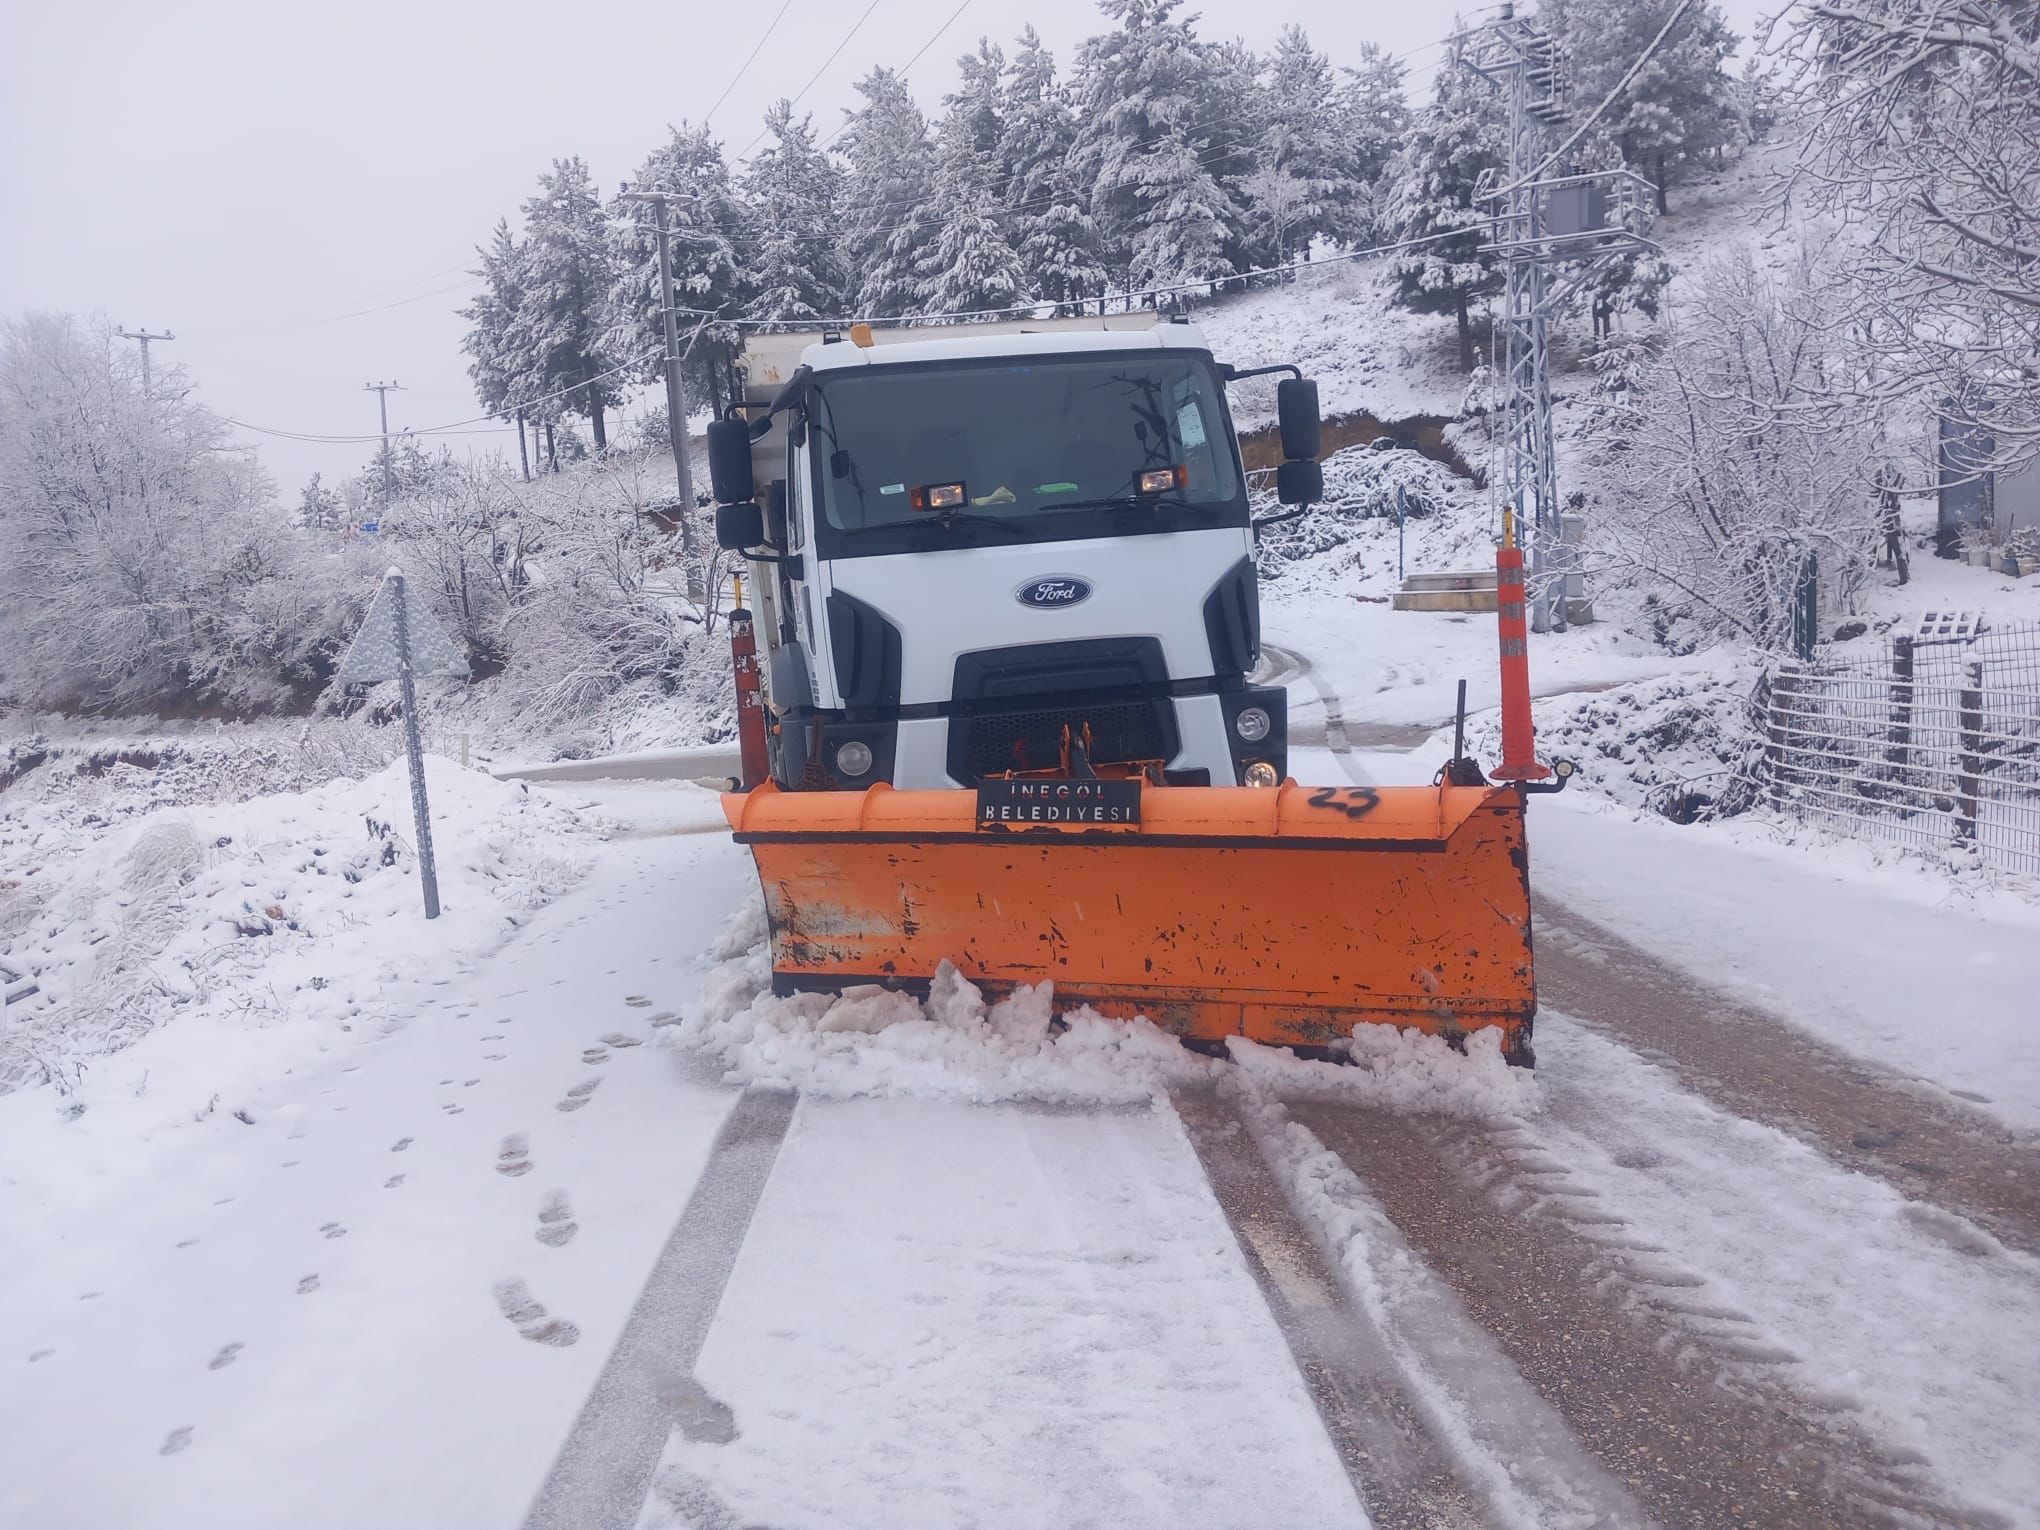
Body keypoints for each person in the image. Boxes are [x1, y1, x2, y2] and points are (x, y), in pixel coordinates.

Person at [1876, 463, 1909, 584]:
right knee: (1898, 546)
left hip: (1890, 516)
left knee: (1897, 544)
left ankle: (1904, 576)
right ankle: (1904, 576)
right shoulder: (1887, 480)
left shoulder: (1895, 479)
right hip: (1887, 515)